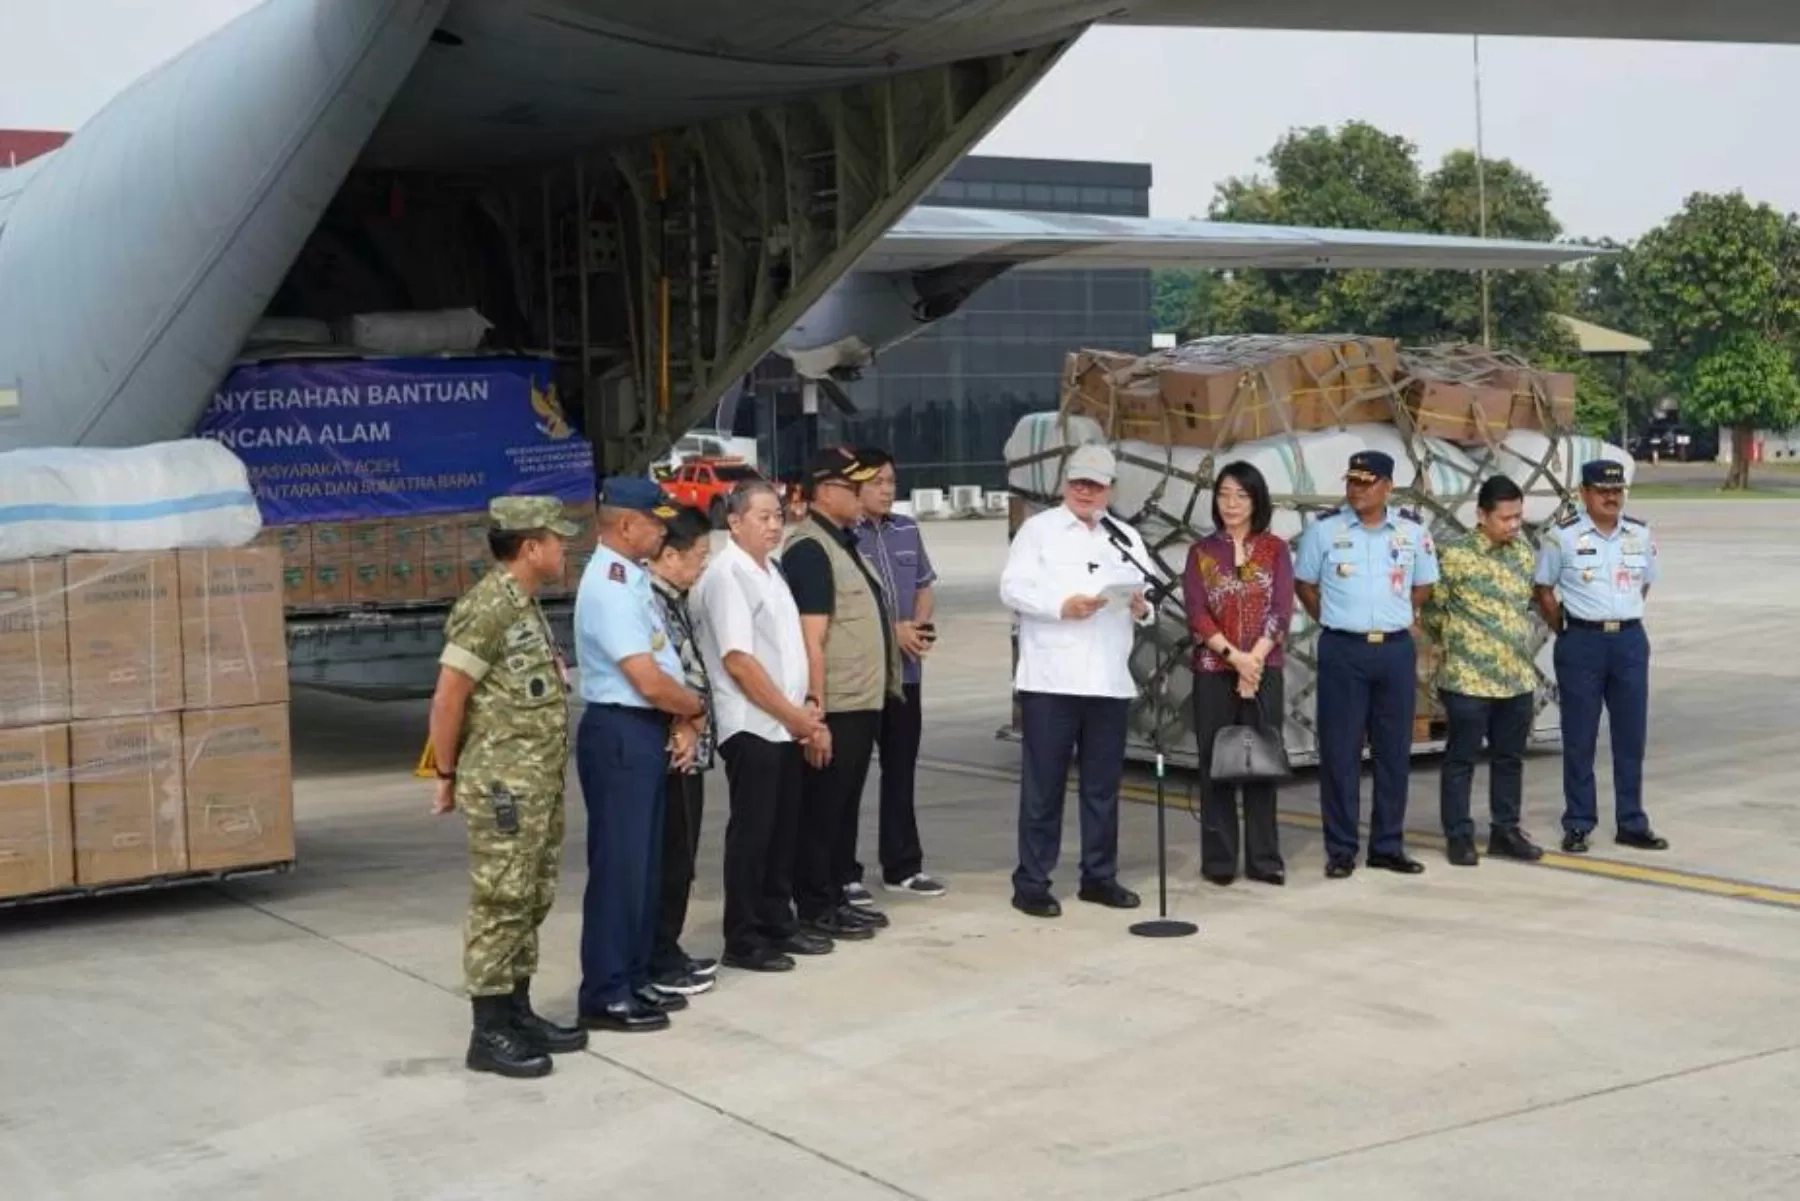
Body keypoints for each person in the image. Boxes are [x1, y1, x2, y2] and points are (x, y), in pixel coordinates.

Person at [429, 495, 587, 1079]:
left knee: (531, 894)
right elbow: (448, 698)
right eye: (557, 539)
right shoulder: (487, 608)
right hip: (504, 787)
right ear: (530, 546)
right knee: (500, 900)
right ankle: (489, 1030)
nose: (564, 548)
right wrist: (446, 775)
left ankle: (517, 1010)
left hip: (536, 783)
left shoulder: (524, 603)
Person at [571, 477, 707, 1033]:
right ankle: (605, 992)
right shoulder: (608, 585)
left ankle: (631, 975)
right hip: (622, 730)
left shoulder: (630, 577)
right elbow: (647, 680)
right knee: (621, 869)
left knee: (644, 866)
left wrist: (678, 717)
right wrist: (693, 709)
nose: (661, 533)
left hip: (645, 728)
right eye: (655, 523)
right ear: (626, 524)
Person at [998, 443, 1153, 918]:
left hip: (1108, 679)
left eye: (1095, 485)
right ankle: (1032, 882)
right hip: (1052, 680)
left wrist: (1141, 608)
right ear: (1065, 483)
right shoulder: (1039, 531)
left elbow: (1147, 596)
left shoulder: (1124, 536)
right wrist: (1060, 606)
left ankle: (1099, 877)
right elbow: (1012, 587)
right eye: (1078, 482)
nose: (1085, 492)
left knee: (1102, 788)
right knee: (1043, 787)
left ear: (1110, 489)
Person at [692, 480, 833, 972]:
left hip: (784, 723)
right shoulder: (728, 575)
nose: (774, 525)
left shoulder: (770, 570)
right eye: (763, 517)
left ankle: (777, 921)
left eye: (778, 516)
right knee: (753, 834)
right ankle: (744, 935)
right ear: (734, 522)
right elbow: (739, 661)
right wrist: (794, 716)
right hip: (753, 724)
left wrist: (806, 710)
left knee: (781, 830)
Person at [1294, 450, 1440, 879]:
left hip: (1394, 650)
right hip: (1344, 650)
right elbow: (1304, 584)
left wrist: (1396, 613)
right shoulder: (1324, 531)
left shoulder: (1412, 532)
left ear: (1387, 487)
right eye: (1351, 481)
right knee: (1340, 752)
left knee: (1393, 752)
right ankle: (1341, 849)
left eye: (1366, 481)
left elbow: (1423, 586)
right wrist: (1333, 618)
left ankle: (1387, 845)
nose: (1356, 489)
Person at [781, 445, 904, 941]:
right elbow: (811, 638)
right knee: (823, 809)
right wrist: (816, 713)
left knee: (843, 807)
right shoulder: (811, 549)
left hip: (860, 700)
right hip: (836, 704)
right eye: (854, 487)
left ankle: (834, 894)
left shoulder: (842, 541)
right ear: (826, 491)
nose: (862, 494)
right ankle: (815, 904)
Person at [1533, 459, 1668, 855]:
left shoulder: (1639, 533)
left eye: (1616, 490)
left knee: (1630, 736)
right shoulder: (1562, 537)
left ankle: (1632, 822)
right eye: (1602, 491)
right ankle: (1578, 822)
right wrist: (1566, 629)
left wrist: (1621, 616)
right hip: (1582, 642)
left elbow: (1643, 584)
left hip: (1628, 641)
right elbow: (1544, 590)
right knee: (1580, 736)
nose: (1611, 497)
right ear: (1584, 493)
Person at [1180, 461, 1294, 887]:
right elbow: (1197, 613)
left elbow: (1281, 610)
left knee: (1262, 762)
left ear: (1256, 501)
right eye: (1224, 494)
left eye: (1241, 496)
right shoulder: (1201, 552)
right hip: (1214, 669)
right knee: (1217, 765)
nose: (1231, 503)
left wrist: (1255, 660)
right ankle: (1220, 860)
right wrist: (1236, 659)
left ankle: (1265, 859)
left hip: (1264, 669)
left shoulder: (1275, 549)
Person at [1421, 474, 1545, 866]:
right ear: (1481, 515)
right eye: (1505, 518)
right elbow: (1432, 611)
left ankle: (1505, 831)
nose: (1513, 525)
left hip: (1516, 677)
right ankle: (1458, 835)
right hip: (1468, 678)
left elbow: (1525, 605)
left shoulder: (1523, 553)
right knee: (1461, 759)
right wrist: (1461, 642)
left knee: (1509, 759)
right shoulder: (1455, 556)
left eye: (1518, 517)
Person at [852, 447, 947, 901]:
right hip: (862, 677)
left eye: (891, 481)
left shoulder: (907, 529)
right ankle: (842, 872)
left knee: (901, 771)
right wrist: (894, 632)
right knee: (848, 777)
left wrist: (917, 627)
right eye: (876, 482)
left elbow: (924, 585)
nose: (887, 490)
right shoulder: (844, 536)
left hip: (906, 674)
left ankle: (903, 865)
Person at [645, 503, 722, 997]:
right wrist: (686, 720)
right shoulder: (650, 602)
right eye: (699, 555)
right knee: (670, 858)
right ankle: (659, 958)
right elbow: (660, 675)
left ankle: (668, 948)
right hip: (674, 748)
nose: (703, 565)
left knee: (682, 856)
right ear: (670, 555)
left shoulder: (675, 598)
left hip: (690, 749)